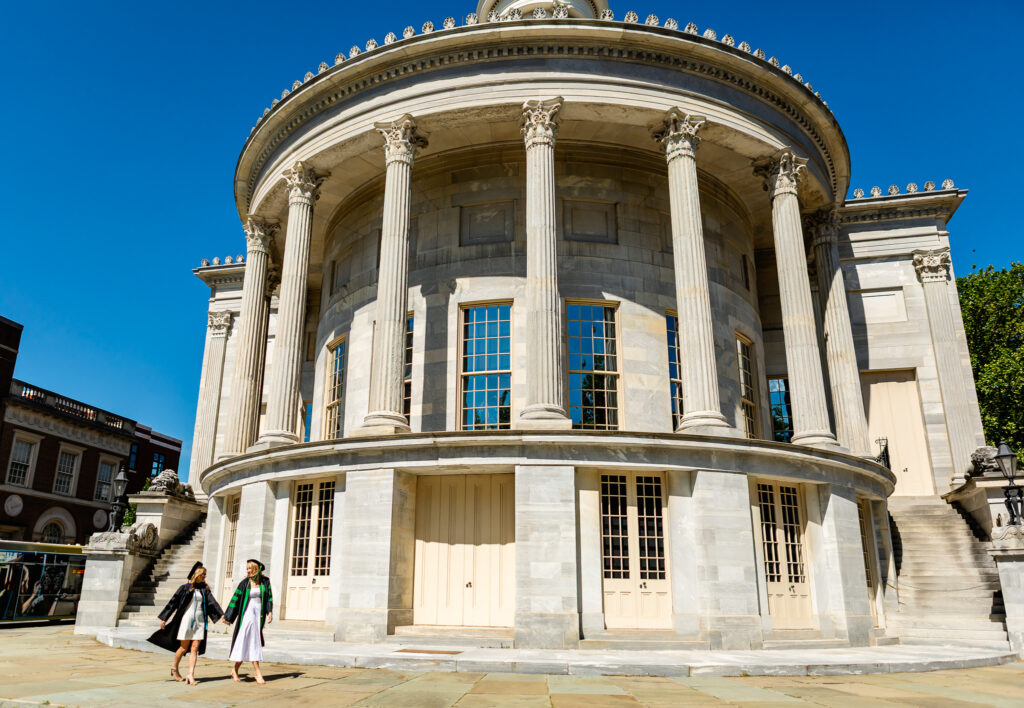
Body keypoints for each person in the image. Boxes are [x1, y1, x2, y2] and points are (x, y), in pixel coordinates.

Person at [147, 562, 226, 685]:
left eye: (205, 574)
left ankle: (190, 674)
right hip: (186, 620)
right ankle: (174, 668)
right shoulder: (185, 588)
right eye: (203, 574)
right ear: (197, 574)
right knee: (183, 648)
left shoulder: (205, 590)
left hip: (200, 621)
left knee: (195, 648)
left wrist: (222, 615)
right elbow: (173, 603)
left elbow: (213, 603)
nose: (204, 576)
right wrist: (164, 618)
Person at [223, 559, 273, 684]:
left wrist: (269, 612)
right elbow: (235, 599)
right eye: (247, 568)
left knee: (247, 642)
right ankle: (258, 673)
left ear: (256, 569)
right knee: (252, 641)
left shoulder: (265, 581)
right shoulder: (244, 583)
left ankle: (235, 670)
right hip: (248, 614)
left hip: (258, 615)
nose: (248, 571)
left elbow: (269, 598)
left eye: (250, 568)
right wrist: (228, 616)